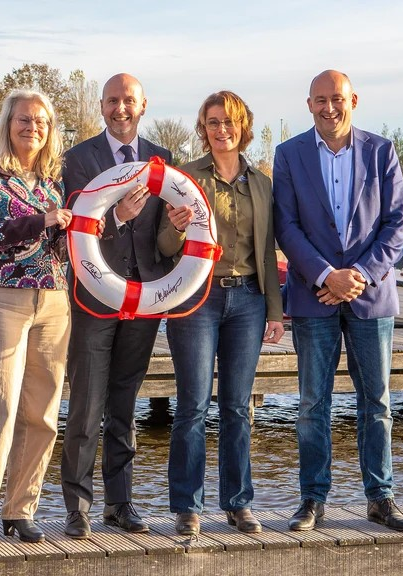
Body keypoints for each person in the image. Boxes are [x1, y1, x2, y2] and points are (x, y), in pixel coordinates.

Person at [272, 70, 403, 533]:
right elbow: (287, 227)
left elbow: (397, 224)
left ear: (354, 100)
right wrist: (325, 275)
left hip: (370, 297)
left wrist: (358, 274)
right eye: (320, 100)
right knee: (314, 402)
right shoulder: (288, 155)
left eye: (337, 99)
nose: (329, 108)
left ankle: (381, 497)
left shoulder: (382, 151)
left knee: (376, 401)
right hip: (313, 296)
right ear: (308, 104)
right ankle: (313, 499)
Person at [158, 91, 285, 536]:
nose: (221, 129)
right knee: (192, 405)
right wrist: (175, 227)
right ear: (203, 128)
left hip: (248, 300)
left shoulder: (262, 184)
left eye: (228, 121)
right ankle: (187, 507)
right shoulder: (184, 177)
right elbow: (164, 247)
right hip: (196, 298)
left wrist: (275, 310)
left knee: (236, 407)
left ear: (242, 126)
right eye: (212, 122)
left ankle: (238, 503)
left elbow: (267, 252)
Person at [59, 73, 176, 539]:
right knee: (86, 405)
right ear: (102, 106)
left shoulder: (163, 159)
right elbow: (75, 226)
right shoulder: (77, 158)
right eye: (112, 101)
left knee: (125, 404)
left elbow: (166, 237)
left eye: (128, 100)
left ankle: (120, 504)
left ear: (143, 104)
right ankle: (78, 507)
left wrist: (182, 226)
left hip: (145, 296)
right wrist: (115, 216)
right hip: (93, 296)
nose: (120, 109)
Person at [0, 89, 72, 548]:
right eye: (24, 119)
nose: (32, 128)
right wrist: (43, 221)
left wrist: (78, 228)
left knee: (41, 413)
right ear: (7, 123)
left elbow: (60, 247)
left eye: (41, 122)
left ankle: (20, 510)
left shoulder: (51, 181)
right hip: (0, 296)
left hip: (54, 298)